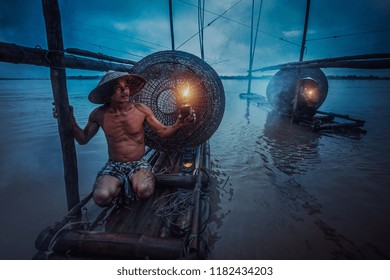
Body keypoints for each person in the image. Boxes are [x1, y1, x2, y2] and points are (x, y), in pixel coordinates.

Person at [68, 71, 195, 207]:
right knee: (101, 197)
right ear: (108, 93)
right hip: (114, 164)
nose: (125, 91)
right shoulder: (99, 114)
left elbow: (163, 131)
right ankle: (120, 187)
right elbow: (83, 139)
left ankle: (127, 185)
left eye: (126, 86)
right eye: (118, 88)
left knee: (144, 191)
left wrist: (179, 124)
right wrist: (70, 119)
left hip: (138, 163)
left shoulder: (141, 110)